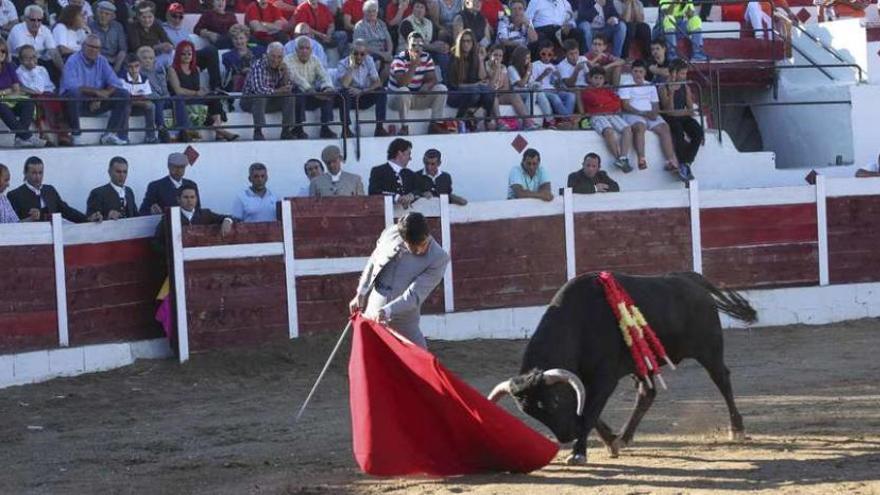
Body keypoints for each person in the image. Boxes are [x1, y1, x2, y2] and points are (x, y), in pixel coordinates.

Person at [349, 211, 450, 349]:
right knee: (371, 359)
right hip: (374, 307)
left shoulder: (438, 258)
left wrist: (387, 311)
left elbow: (414, 295)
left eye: (423, 243)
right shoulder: (391, 234)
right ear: (404, 240)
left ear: (427, 234)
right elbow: (374, 260)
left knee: (418, 361)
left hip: (404, 319)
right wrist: (361, 292)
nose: (420, 250)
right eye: (413, 246)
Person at [60, 34, 132, 146]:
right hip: (77, 102)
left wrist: (103, 95)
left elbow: (115, 82)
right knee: (73, 93)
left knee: (123, 94)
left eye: (97, 48)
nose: (94, 50)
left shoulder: (102, 60)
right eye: (91, 47)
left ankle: (109, 134)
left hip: (96, 101)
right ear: (83, 46)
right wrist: (96, 93)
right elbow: (72, 86)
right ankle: (76, 133)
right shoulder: (73, 60)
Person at [168, 39, 239, 142]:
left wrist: (202, 91)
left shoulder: (195, 69)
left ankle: (218, 128)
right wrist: (197, 93)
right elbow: (178, 90)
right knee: (200, 106)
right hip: (182, 100)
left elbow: (197, 87)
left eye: (189, 53)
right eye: (183, 54)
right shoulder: (172, 69)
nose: (187, 56)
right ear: (178, 54)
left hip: (194, 98)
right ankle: (220, 131)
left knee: (214, 97)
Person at [619, 59, 678, 173]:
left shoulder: (650, 86)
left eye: (641, 71)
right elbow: (625, 105)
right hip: (633, 114)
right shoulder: (626, 85)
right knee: (640, 127)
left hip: (648, 114)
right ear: (631, 72)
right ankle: (642, 158)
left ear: (645, 73)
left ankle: (670, 160)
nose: (638, 74)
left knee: (664, 128)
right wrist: (643, 113)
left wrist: (654, 114)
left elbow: (655, 104)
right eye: (635, 71)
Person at [387, 32, 450, 135]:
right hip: (396, 100)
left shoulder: (426, 57)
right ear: (407, 46)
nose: (417, 48)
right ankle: (404, 128)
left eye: (420, 45)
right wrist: (413, 65)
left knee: (441, 88)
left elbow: (433, 78)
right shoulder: (399, 59)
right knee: (404, 91)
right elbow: (403, 83)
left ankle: (435, 125)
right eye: (413, 45)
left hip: (417, 96)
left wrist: (427, 85)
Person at [7, 156, 101, 222]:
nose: (38, 177)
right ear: (25, 173)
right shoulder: (15, 195)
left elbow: (66, 211)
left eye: (40, 173)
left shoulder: (49, 190)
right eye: (34, 173)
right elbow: (13, 223)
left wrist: (87, 219)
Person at [241, 42, 298, 141]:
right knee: (260, 97)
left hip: (269, 99)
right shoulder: (258, 66)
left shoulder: (282, 66)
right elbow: (259, 89)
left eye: (279, 57)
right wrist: (280, 91)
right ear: (267, 55)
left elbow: (287, 88)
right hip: (249, 101)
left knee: (290, 97)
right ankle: (258, 131)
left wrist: (285, 74)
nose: (276, 60)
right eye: (273, 56)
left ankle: (286, 130)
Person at [285, 35, 338, 139]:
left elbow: (324, 75)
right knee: (297, 92)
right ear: (296, 50)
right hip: (299, 95)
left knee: (327, 94)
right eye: (301, 48)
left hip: (311, 95)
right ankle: (298, 128)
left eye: (307, 48)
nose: (304, 51)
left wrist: (328, 87)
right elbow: (296, 78)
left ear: (311, 50)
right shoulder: (288, 60)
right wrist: (312, 91)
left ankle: (325, 128)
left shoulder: (315, 59)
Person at [154, 184, 234, 252]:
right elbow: (156, 242)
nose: (189, 200)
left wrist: (227, 221)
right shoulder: (170, 217)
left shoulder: (205, 214)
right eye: (186, 197)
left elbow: (231, 217)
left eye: (192, 197)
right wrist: (173, 253)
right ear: (178, 199)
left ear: (196, 199)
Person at [162, 2, 222, 91]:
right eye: (174, 16)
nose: (177, 19)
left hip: (189, 57)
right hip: (175, 58)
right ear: (167, 15)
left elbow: (191, 48)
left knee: (211, 50)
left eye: (180, 16)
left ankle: (216, 87)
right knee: (208, 50)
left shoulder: (184, 30)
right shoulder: (162, 29)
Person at [582, 67, 632, 172]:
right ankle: (617, 158)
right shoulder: (586, 91)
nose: (598, 80)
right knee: (608, 131)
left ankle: (623, 157)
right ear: (590, 79)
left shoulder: (607, 90)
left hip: (610, 114)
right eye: (596, 78)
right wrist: (607, 104)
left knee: (627, 129)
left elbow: (617, 103)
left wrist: (603, 104)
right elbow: (595, 102)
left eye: (600, 78)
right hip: (596, 115)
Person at [659, 59, 702, 181]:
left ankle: (686, 162)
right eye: (682, 73)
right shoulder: (663, 88)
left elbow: (690, 109)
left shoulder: (685, 86)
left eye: (685, 73)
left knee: (698, 132)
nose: (685, 76)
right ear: (673, 73)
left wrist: (681, 112)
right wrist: (672, 93)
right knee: (678, 132)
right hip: (670, 118)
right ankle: (683, 163)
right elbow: (669, 110)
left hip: (682, 116)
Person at [337, 39, 389, 137]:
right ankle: (346, 129)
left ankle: (379, 127)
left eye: (362, 54)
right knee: (344, 93)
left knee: (381, 91)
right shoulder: (343, 63)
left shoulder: (369, 60)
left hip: (363, 94)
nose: (359, 56)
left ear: (366, 54)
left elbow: (377, 82)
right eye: (356, 53)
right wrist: (352, 66)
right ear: (351, 53)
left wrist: (362, 91)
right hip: (350, 98)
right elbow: (344, 84)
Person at [447, 29, 496, 131]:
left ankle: (488, 120)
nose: (466, 44)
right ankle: (459, 119)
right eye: (463, 41)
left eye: (469, 41)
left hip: (474, 93)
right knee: (475, 91)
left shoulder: (475, 57)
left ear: (473, 43)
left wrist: (481, 60)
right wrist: (475, 86)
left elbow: (482, 77)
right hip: (455, 94)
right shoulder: (453, 58)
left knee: (489, 91)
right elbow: (454, 85)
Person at [0, 40, 46, 148]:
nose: (1, 53)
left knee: (28, 103)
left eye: (3, 51)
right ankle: (27, 136)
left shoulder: (9, 66)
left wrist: (4, 92)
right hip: (3, 102)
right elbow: (12, 89)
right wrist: (7, 91)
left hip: (11, 99)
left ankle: (20, 138)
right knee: (1, 106)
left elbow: (16, 88)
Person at [485, 44, 537, 130]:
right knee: (493, 95)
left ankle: (527, 122)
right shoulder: (485, 66)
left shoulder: (503, 67)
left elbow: (506, 87)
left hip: (499, 94)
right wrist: (497, 70)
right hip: (489, 96)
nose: (498, 58)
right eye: (495, 55)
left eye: (500, 55)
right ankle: (499, 122)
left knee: (514, 95)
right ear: (490, 55)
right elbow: (490, 87)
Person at [7, 5, 64, 83]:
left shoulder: (45, 30)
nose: (36, 23)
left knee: (53, 62)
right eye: (33, 20)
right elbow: (24, 53)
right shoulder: (17, 29)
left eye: (39, 20)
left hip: (37, 59)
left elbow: (54, 52)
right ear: (25, 19)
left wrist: (64, 71)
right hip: (18, 61)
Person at [507, 44, 556, 128]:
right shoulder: (511, 68)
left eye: (529, 58)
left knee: (538, 91)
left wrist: (534, 83)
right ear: (520, 58)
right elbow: (521, 84)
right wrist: (528, 71)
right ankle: (528, 121)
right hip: (516, 92)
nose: (529, 60)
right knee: (533, 93)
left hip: (526, 89)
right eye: (527, 58)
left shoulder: (525, 67)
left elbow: (529, 83)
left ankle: (549, 121)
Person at [368, 137, 425, 207]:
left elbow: (420, 189)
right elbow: (373, 192)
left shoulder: (410, 174)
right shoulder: (378, 171)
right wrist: (396, 197)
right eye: (408, 154)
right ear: (400, 153)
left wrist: (412, 195)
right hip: (386, 212)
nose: (410, 158)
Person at [399, 0, 449, 76]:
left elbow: (434, 41)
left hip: (426, 51)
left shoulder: (429, 23)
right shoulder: (406, 23)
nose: (419, 9)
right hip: (409, 52)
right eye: (417, 7)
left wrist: (443, 46)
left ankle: (446, 83)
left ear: (425, 11)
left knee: (443, 55)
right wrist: (434, 47)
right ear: (413, 9)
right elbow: (415, 43)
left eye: (422, 7)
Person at [120, 53, 159, 143]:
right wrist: (139, 99)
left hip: (138, 106)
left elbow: (147, 97)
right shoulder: (121, 78)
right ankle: (123, 137)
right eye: (130, 67)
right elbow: (125, 99)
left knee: (151, 106)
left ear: (140, 66)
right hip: (126, 106)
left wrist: (136, 99)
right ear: (126, 67)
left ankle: (150, 137)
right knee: (126, 107)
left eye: (136, 66)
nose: (134, 70)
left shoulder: (144, 79)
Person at [137, 46, 172, 143]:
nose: (148, 61)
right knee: (157, 100)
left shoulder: (159, 73)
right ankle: (161, 127)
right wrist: (156, 96)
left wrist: (163, 96)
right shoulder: (137, 74)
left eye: (151, 58)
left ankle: (184, 130)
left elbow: (165, 91)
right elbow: (140, 92)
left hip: (162, 100)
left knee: (179, 100)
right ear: (139, 60)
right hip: (146, 101)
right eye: (144, 58)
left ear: (154, 60)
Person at [128, 1, 175, 69]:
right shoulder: (133, 27)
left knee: (172, 54)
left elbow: (167, 40)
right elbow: (136, 48)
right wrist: (158, 47)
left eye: (150, 17)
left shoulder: (156, 24)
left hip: (155, 57)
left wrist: (169, 46)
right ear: (138, 17)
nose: (147, 20)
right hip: (139, 59)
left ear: (154, 16)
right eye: (144, 17)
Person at [353, 0, 393, 78]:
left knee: (395, 61)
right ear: (364, 12)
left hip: (384, 53)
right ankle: (375, 85)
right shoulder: (359, 26)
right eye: (368, 11)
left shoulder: (381, 24)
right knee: (377, 61)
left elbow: (389, 40)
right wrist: (381, 54)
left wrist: (389, 52)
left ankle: (383, 85)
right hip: (369, 54)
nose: (371, 13)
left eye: (374, 11)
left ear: (377, 12)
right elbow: (361, 46)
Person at [222, 24, 266, 92]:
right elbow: (232, 72)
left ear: (247, 38)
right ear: (232, 40)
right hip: (238, 85)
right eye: (235, 39)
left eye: (241, 38)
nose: (239, 41)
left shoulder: (258, 50)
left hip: (258, 81)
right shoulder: (227, 56)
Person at [89, 1, 128, 73]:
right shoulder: (91, 27)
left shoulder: (118, 27)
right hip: (97, 62)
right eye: (101, 13)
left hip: (115, 62)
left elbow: (122, 50)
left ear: (113, 16)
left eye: (107, 14)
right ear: (97, 13)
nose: (103, 16)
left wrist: (116, 69)